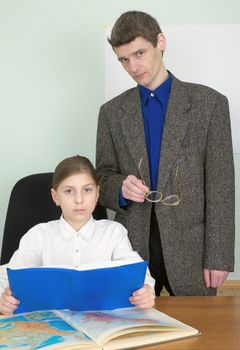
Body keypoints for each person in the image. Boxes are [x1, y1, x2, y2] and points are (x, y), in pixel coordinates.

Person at [96, 11, 235, 296]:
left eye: (139, 53)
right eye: (124, 60)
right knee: (131, 333)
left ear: (161, 42)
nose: (133, 67)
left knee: (199, 333)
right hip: (130, 246)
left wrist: (219, 256)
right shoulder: (111, 113)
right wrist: (120, 188)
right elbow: (101, 177)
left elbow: (221, 188)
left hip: (191, 248)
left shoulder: (210, 104)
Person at [0, 155, 155, 315]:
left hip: (103, 323)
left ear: (97, 194)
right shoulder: (38, 235)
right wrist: (3, 298)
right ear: (55, 197)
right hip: (52, 326)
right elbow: (6, 277)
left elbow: (138, 276)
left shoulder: (114, 232)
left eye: (87, 190)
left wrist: (146, 291)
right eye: (69, 191)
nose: (79, 199)